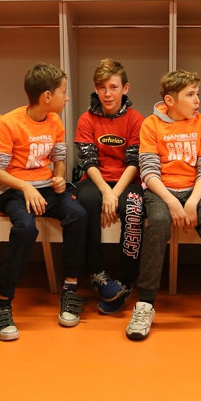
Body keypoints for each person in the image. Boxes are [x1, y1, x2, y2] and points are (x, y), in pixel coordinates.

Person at [127, 70, 201, 341]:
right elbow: (148, 171)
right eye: (190, 95)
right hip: (161, 190)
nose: (197, 100)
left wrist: (192, 201)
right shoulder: (151, 124)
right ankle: (145, 304)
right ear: (170, 100)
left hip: (197, 189)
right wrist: (171, 201)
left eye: (197, 94)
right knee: (158, 223)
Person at [0, 63, 88, 340]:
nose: (67, 97)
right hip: (13, 189)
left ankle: (70, 288)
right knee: (26, 228)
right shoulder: (8, 123)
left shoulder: (55, 121)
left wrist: (59, 178)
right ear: (47, 96)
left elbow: (58, 160)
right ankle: (2, 306)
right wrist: (24, 187)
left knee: (78, 215)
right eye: (63, 92)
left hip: (45, 188)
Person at [74, 58, 145, 314]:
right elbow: (88, 161)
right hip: (95, 180)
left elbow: (135, 162)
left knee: (134, 208)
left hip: (127, 180)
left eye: (113, 87)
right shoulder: (86, 119)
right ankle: (97, 273)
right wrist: (106, 191)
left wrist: (114, 193)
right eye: (102, 88)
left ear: (125, 88)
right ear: (95, 88)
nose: (107, 94)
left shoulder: (137, 119)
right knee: (86, 203)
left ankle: (126, 280)